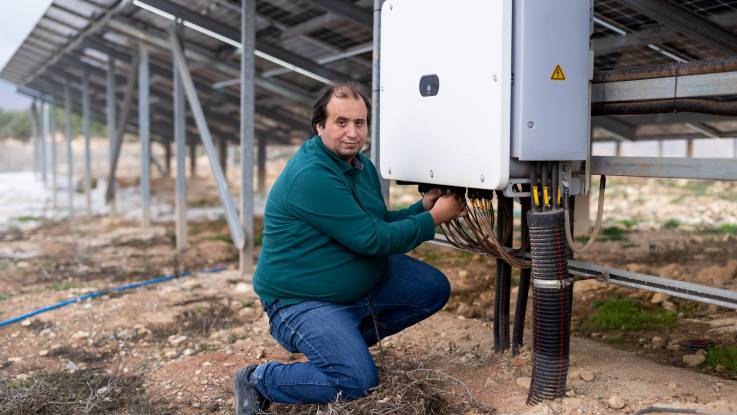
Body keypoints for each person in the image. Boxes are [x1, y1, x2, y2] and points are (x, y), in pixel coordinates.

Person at [233, 82, 466, 414]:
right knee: (355, 382)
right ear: (320, 126)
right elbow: (371, 240)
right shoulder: (311, 175)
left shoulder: (360, 166)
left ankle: (343, 349)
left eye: (360, 123)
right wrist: (434, 220)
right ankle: (260, 379)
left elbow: (377, 220)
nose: (353, 132)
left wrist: (423, 208)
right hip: (302, 301)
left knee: (431, 288)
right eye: (341, 122)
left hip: (357, 287)